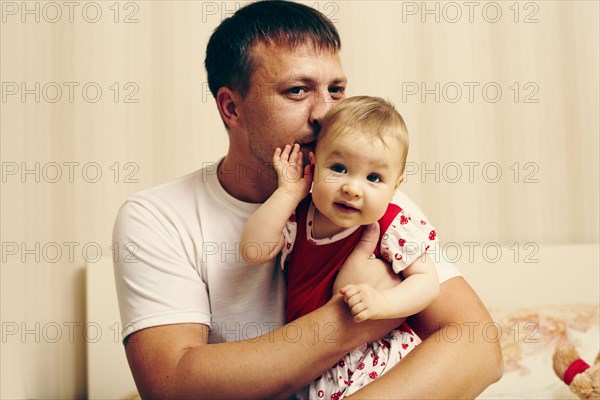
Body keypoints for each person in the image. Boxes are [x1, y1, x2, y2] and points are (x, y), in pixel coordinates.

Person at [112, 1, 503, 398]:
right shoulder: (157, 217)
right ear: (232, 107)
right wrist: (351, 318)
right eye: (297, 91)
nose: (326, 113)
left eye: (336, 90)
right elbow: (171, 385)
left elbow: (478, 347)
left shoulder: (367, 200)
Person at [240, 96, 440, 399]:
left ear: (395, 187)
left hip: (376, 358)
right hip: (313, 364)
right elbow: (253, 250)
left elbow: (427, 283)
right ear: (314, 165)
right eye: (338, 168)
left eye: (374, 177)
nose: (352, 188)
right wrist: (289, 192)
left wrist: (383, 303)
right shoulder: (300, 213)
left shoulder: (390, 224)